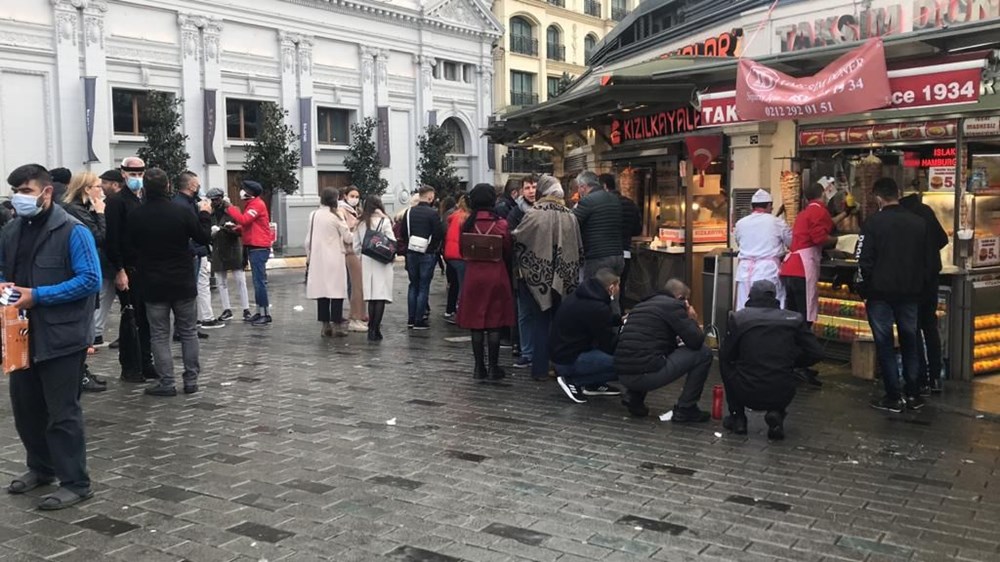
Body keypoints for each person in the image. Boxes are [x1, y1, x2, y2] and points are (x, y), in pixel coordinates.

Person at [1, 163, 101, 510]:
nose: (19, 198)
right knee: (26, 409)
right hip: (21, 335)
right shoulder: (13, 229)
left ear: (46, 192)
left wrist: (38, 296)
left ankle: (76, 482)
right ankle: (40, 469)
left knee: (62, 413)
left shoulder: (73, 230)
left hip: (62, 337)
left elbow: (90, 280)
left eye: (25, 191)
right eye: (15, 192)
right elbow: (5, 271)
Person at [127, 168, 212, 397]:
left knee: (159, 334)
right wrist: (205, 213)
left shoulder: (137, 215)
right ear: (168, 187)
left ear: (144, 188)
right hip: (182, 279)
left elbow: (130, 246)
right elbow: (203, 236)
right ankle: (191, 380)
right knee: (188, 331)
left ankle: (167, 382)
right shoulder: (181, 211)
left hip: (153, 282)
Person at [720, 280, 824, 440]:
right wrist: (793, 362)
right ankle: (777, 412)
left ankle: (738, 417)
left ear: (750, 296)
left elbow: (727, 355)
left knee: (724, 362)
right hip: (782, 389)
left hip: (745, 388)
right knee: (781, 372)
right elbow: (816, 352)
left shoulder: (739, 318)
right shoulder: (794, 319)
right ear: (775, 296)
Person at [858, 177, 928, 413]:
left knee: (885, 343)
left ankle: (893, 395)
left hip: (880, 294)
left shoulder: (872, 223)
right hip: (910, 293)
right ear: (897, 194)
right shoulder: (918, 223)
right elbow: (926, 260)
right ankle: (914, 393)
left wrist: (864, 289)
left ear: (878, 197)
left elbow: (863, 261)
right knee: (910, 341)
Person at [779, 179, 853, 386]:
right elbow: (820, 237)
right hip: (803, 268)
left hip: (791, 268)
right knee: (804, 319)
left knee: (794, 317)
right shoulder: (819, 211)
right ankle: (800, 363)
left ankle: (794, 363)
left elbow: (826, 224)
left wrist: (844, 214)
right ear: (824, 194)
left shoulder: (806, 212)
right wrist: (841, 241)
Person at [513, 175, 583, 381]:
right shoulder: (570, 215)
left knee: (540, 321)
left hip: (537, 277)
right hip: (564, 275)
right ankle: (560, 366)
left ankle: (539, 368)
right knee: (560, 322)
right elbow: (578, 246)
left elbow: (519, 238)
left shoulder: (534, 213)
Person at [614, 279, 713, 422]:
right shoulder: (673, 306)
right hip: (645, 375)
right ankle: (686, 408)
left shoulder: (640, 305)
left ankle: (634, 397)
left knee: (648, 350)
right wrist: (692, 319)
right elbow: (696, 341)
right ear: (680, 298)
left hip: (623, 374)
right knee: (703, 353)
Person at [456, 184, 514, 380]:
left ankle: (478, 367)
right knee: (494, 322)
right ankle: (493, 367)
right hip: (496, 274)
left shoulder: (467, 223)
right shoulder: (501, 224)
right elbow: (507, 250)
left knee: (476, 323)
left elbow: (462, 251)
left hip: (473, 275)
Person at [105, 156, 155, 381]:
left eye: (140, 174)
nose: (137, 178)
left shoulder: (144, 198)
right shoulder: (117, 202)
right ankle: (130, 366)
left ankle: (146, 362)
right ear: (123, 174)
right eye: (132, 174)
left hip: (145, 267)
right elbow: (112, 239)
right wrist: (119, 270)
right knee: (130, 318)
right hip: (128, 267)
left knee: (145, 319)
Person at [61, 171, 110, 393]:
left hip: (89, 270)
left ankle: (81, 371)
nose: (101, 190)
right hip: (80, 274)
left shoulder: (80, 209)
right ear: (87, 189)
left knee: (87, 323)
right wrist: (100, 213)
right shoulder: (75, 211)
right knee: (83, 326)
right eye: (98, 186)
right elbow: (98, 237)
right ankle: (78, 374)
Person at [900, 181, 949, 394]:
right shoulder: (926, 211)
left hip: (911, 281)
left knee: (912, 328)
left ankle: (918, 377)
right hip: (931, 278)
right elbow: (942, 239)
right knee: (929, 327)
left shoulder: (901, 216)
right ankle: (935, 378)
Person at [550, 269, 623, 403]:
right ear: (611, 287)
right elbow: (607, 342)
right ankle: (574, 381)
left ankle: (593, 384)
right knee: (625, 364)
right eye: (618, 286)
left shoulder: (583, 296)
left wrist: (619, 320)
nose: (619, 289)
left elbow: (595, 320)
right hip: (569, 359)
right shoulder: (598, 307)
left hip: (562, 352)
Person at [174, 172, 220, 331]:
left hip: (193, 252)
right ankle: (185, 328)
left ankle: (188, 326)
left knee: (193, 290)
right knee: (189, 293)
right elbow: (201, 234)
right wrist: (205, 214)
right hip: (191, 252)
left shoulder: (185, 202)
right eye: (197, 183)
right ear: (191, 185)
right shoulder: (185, 205)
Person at [734, 189, 792, 311]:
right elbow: (791, 242)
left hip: (745, 272)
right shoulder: (777, 223)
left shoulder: (740, 223)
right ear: (769, 205)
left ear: (752, 206)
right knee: (771, 306)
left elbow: (739, 242)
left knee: (744, 306)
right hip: (768, 271)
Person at [306, 188, 352, 338]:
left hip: (318, 259)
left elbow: (308, 239)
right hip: (335, 258)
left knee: (323, 292)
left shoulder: (313, 215)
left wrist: (308, 256)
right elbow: (348, 237)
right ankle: (337, 325)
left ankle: (325, 325)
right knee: (337, 291)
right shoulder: (336, 216)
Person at [227, 179, 272, 326]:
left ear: (250, 192)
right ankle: (259, 312)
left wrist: (230, 208)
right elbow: (250, 226)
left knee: (260, 282)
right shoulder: (252, 204)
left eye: (244, 189)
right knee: (257, 282)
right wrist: (237, 229)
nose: (241, 191)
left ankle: (265, 314)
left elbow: (245, 220)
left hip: (259, 247)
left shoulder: (257, 204)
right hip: (253, 246)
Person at [400, 185, 444, 330]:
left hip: (411, 252)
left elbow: (403, 232)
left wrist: (409, 245)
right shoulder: (433, 214)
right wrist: (433, 247)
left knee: (413, 284)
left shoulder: (408, 212)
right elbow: (438, 233)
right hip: (427, 253)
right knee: (423, 286)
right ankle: (419, 320)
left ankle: (411, 319)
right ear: (430, 197)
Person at [206, 188, 251, 322]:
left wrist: (229, 228)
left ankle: (246, 309)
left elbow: (241, 229)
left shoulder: (232, 210)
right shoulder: (210, 213)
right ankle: (226, 309)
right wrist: (211, 233)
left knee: (240, 280)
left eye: (217, 199)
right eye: (212, 200)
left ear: (222, 198)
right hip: (218, 249)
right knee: (221, 282)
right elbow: (205, 232)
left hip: (233, 248)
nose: (214, 202)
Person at [355, 195, 395, 342]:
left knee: (371, 297)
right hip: (382, 262)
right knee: (381, 296)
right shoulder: (384, 221)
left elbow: (356, 246)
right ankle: (375, 329)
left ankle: (371, 329)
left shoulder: (360, 223)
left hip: (367, 261)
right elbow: (392, 242)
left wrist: (363, 256)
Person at [507, 175, 537, 364]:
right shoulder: (515, 213)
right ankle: (527, 351)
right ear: (521, 191)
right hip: (523, 269)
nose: (532, 191)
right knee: (525, 312)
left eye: (534, 187)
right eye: (527, 188)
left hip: (545, 268)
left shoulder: (546, 209)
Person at [92, 170, 123, 347]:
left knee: (106, 296)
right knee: (105, 295)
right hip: (109, 259)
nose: (102, 187)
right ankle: (95, 332)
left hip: (111, 259)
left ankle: (96, 332)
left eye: (104, 183)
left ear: (115, 184)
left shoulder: (111, 204)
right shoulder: (106, 204)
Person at [601, 173, 642, 305]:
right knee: (620, 289)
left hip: (606, 253)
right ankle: (618, 317)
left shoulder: (603, 204)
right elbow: (637, 230)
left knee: (604, 290)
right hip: (625, 253)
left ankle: (609, 320)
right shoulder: (631, 204)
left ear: (604, 186)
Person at [575, 171, 624, 279]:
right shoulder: (614, 199)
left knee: (594, 292)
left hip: (597, 257)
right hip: (618, 255)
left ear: (583, 187)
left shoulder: (587, 201)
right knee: (612, 291)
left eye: (579, 187)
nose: (578, 191)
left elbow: (573, 225)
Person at [339, 186, 367, 332]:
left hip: (357, 250)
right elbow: (346, 231)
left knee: (356, 285)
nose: (355, 198)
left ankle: (359, 314)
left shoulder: (356, 210)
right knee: (356, 285)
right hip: (350, 250)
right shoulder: (342, 210)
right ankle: (355, 317)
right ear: (345, 196)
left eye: (357, 196)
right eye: (352, 195)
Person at [443, 194, 469, 324]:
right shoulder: (465, 217)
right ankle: (461, 313)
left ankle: (452, 310)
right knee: (462, 285)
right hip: (460, 255)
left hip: (450, 254)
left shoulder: (454, 216)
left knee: (455, 283)